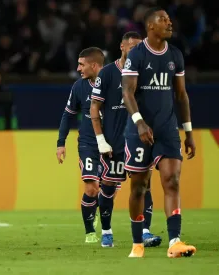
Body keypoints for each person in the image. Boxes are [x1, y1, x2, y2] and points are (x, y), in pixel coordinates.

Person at [121, 7, 196, 258]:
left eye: (169, 19)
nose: (169, 23)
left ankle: (174, 241)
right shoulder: (137, 55)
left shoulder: (175, 54)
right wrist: (140, 122)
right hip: (139, 130)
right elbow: (127, 92)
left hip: (167, 129)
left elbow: (181, 95)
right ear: (150, 26)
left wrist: (188, 132)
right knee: (139, 188)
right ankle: (137, 242)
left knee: (172, 181)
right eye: (163, 20)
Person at [90, 31, 162, 248]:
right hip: (115, 143)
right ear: (122, 47)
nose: (137, 52)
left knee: (143, 186)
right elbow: (95, 107)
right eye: (133, 47)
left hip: (138, 139)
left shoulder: (146, 73)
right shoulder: (108, 73)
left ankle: (146, 231)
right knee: (109, 187)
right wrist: (101, 139)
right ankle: (106, 231)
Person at [57, 47, 104, 244]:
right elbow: (68, 114)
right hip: (87, 144)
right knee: (91, 188)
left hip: (111, 145)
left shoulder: (115, 83)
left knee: (107, 191)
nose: (78, 68)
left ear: (94, 65)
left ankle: (101, 215)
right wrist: (61, 143)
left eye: (81, 64)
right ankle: (90, 233)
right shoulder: (79, 86)